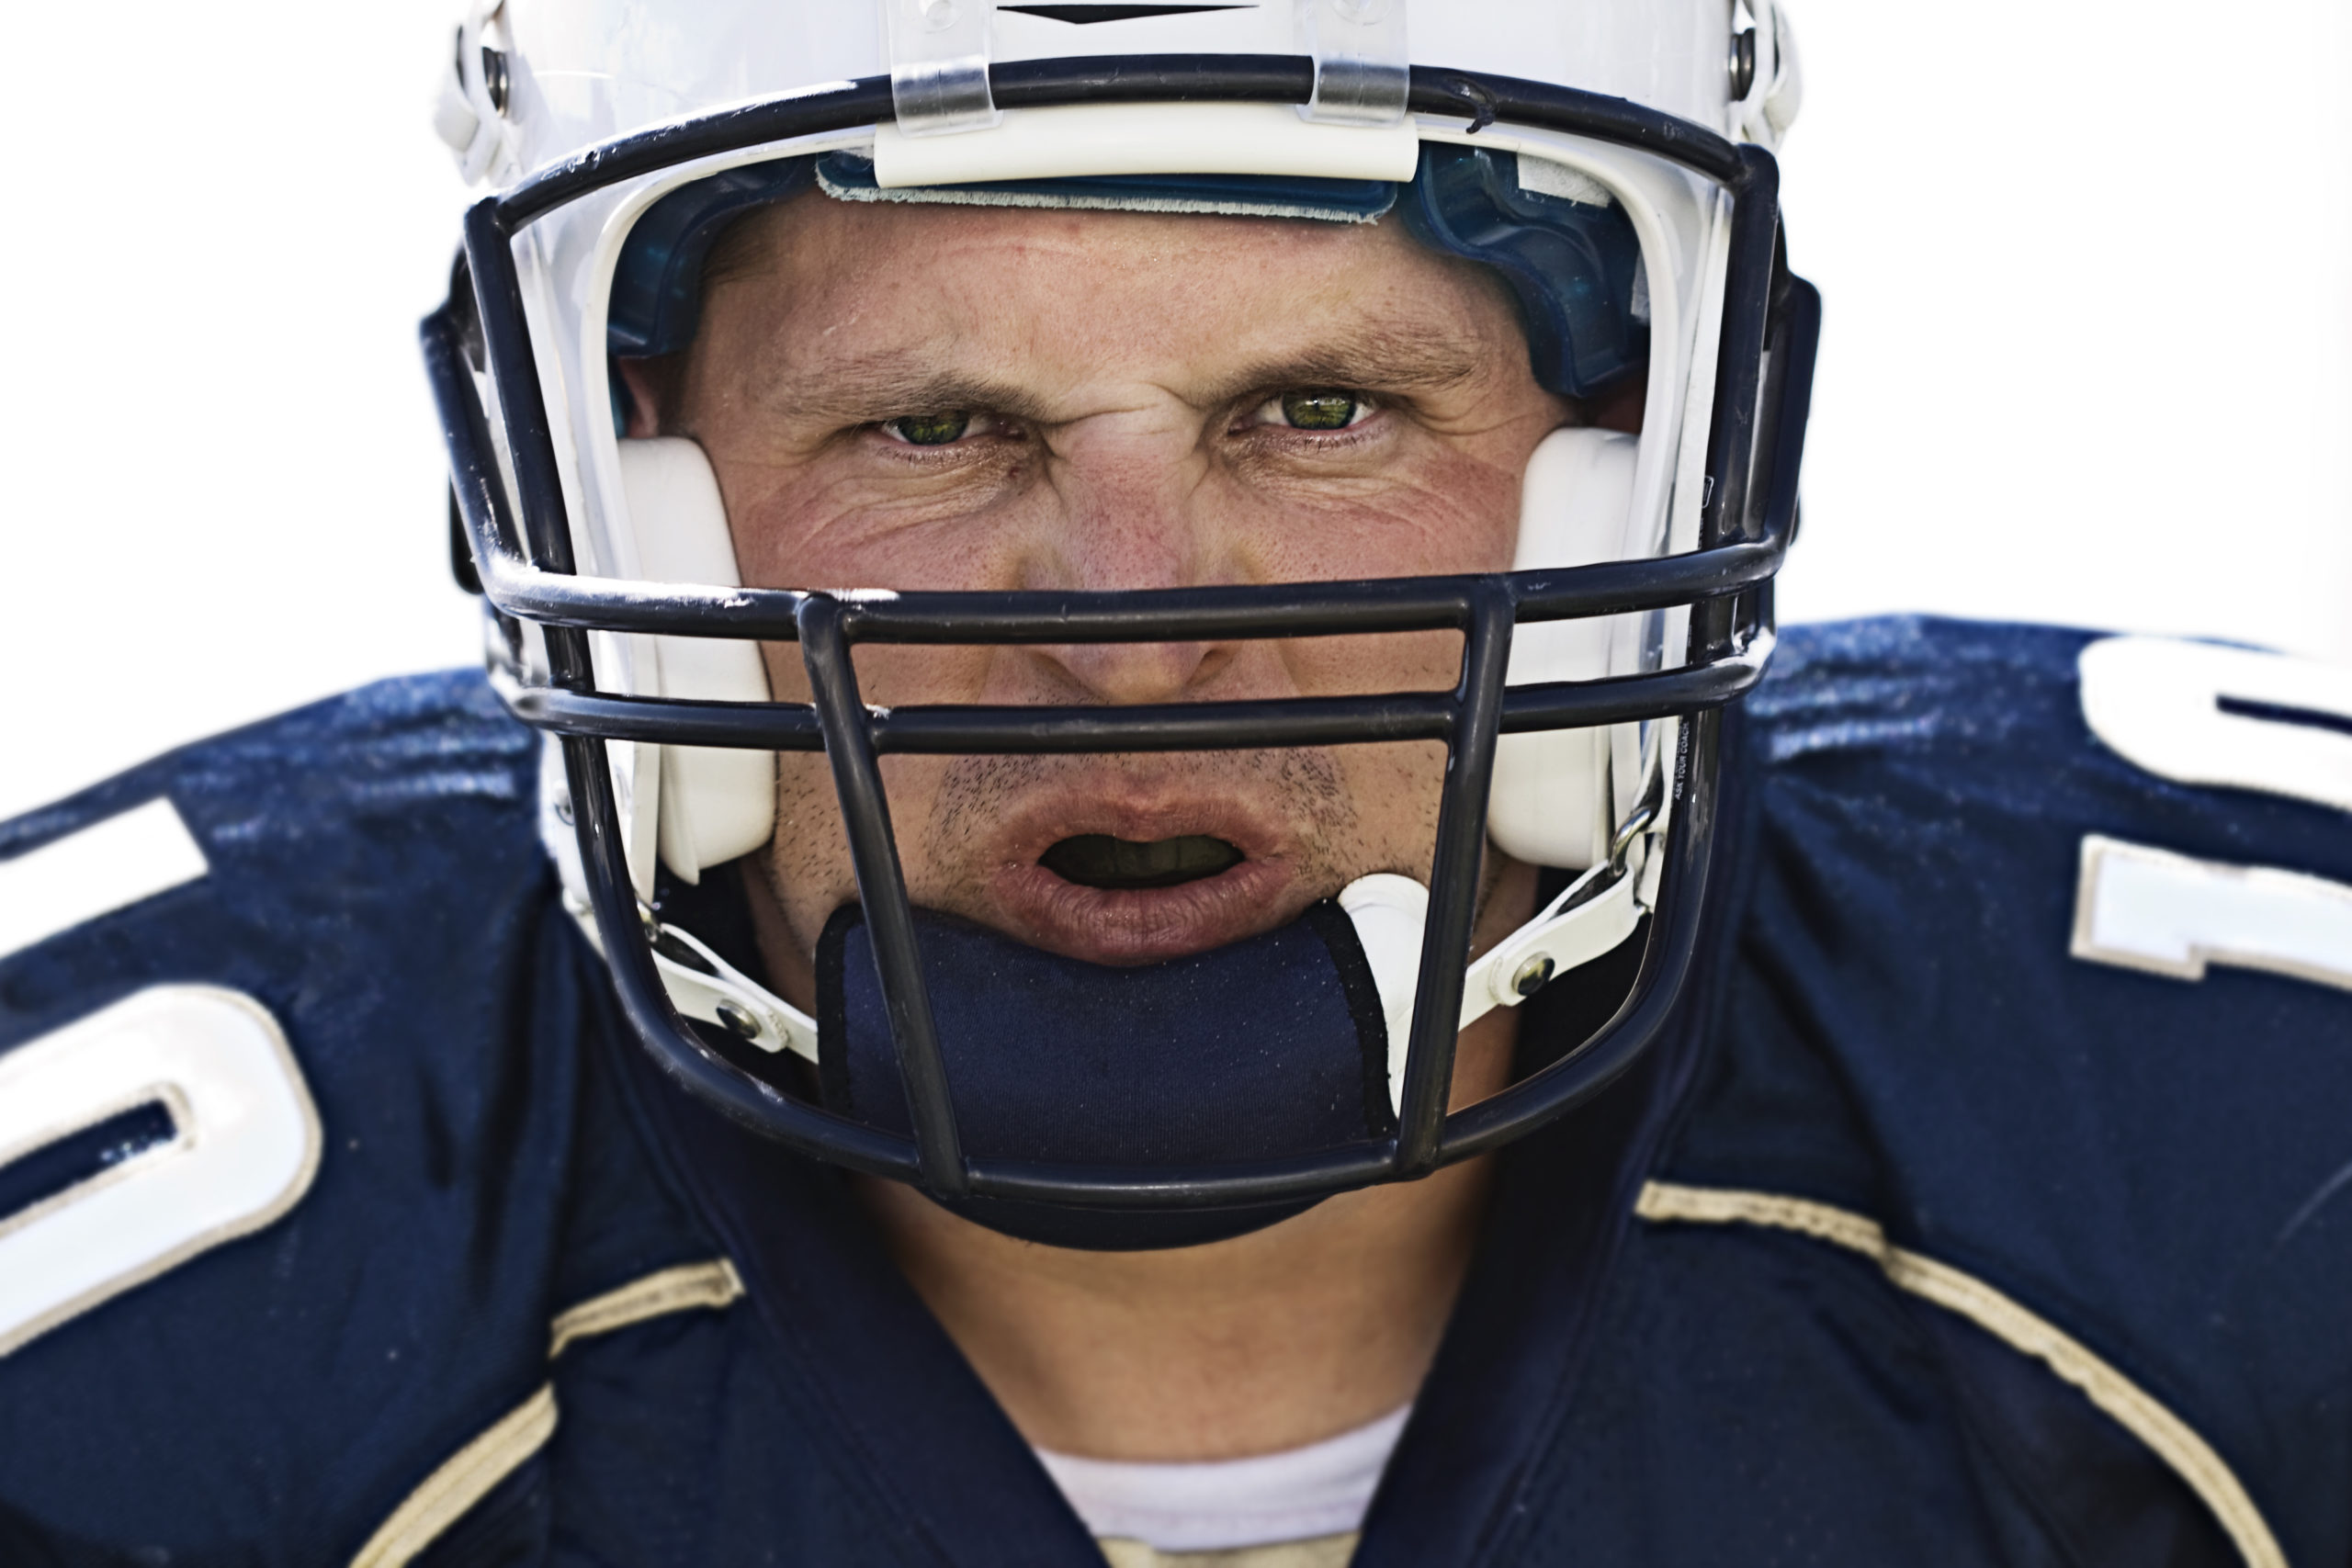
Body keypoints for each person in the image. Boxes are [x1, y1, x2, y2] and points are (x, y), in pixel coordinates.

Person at [1, 2, 2346, 1563]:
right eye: (928, 429)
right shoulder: (162, 1323)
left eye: (1319, 412)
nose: (1128, 624)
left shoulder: (2224, 1139)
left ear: (1624, 480)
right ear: (625, 514)